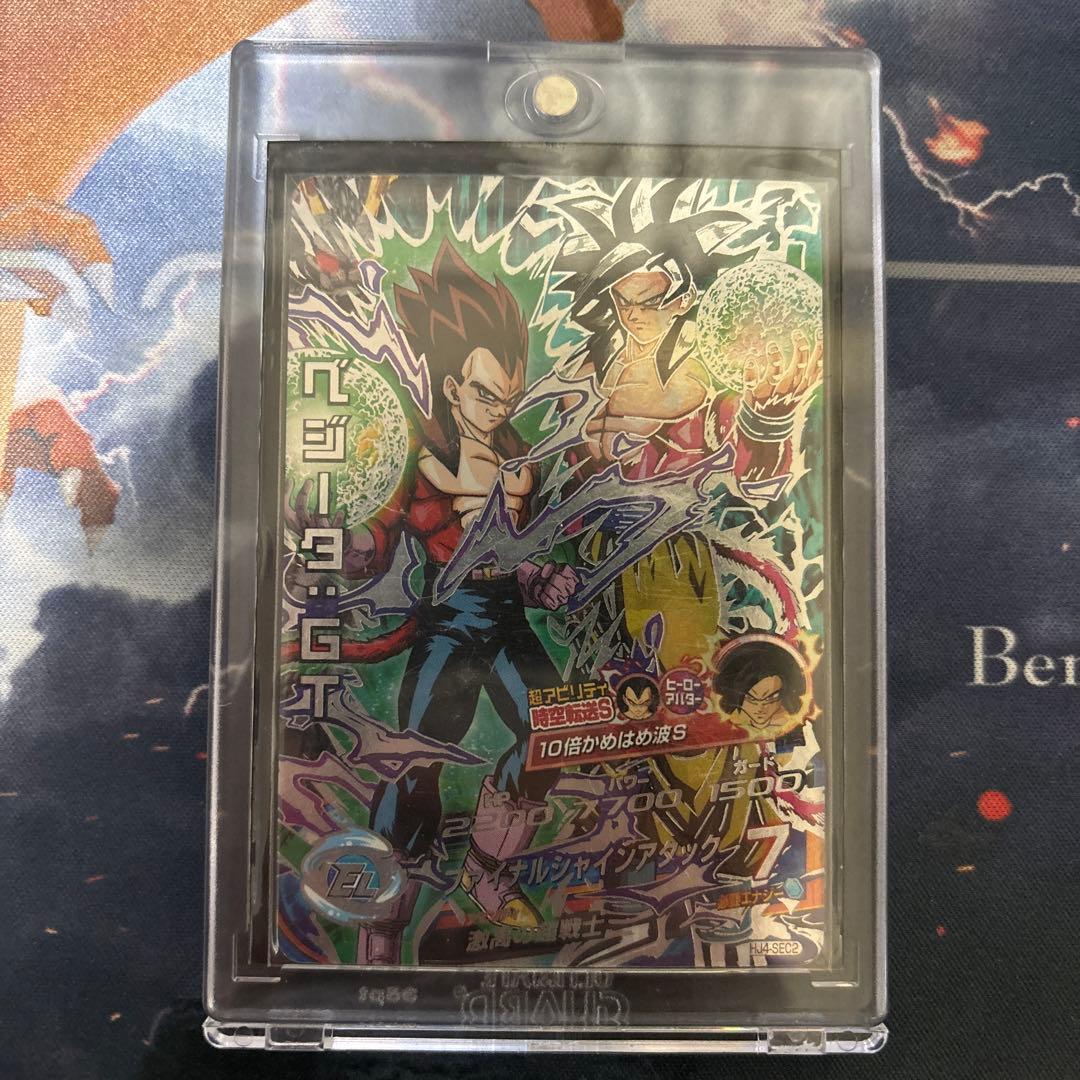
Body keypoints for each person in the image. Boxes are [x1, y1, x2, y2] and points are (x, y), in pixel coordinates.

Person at [285, 239, 578, 962]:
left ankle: (486, 871)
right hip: (449, 622)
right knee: (416, 765)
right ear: (452, 387)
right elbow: (374, 542)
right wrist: (337, 540)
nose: (498, 410)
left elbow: (519, 549)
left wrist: (541, 580)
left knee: (554, 731)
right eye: (485, 394)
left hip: (507, 619)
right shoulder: (419, 458)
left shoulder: (520, 462)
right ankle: (382, 922)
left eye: (508, 397)